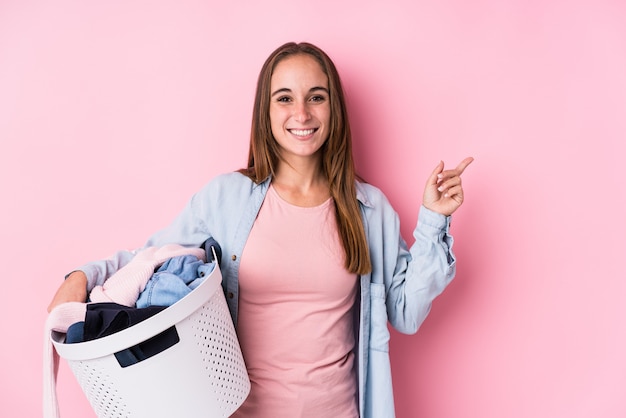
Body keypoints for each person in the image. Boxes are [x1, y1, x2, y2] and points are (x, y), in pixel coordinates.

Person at [48, 41, 473, 418]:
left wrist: (433, 221)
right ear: (266, 112)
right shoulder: (227, 198)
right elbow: (146, 260)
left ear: (334, 108)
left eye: (316, 97)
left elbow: (406, 312)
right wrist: (81, 278)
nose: (301, 113)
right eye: (284, 98)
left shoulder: (371, 209)